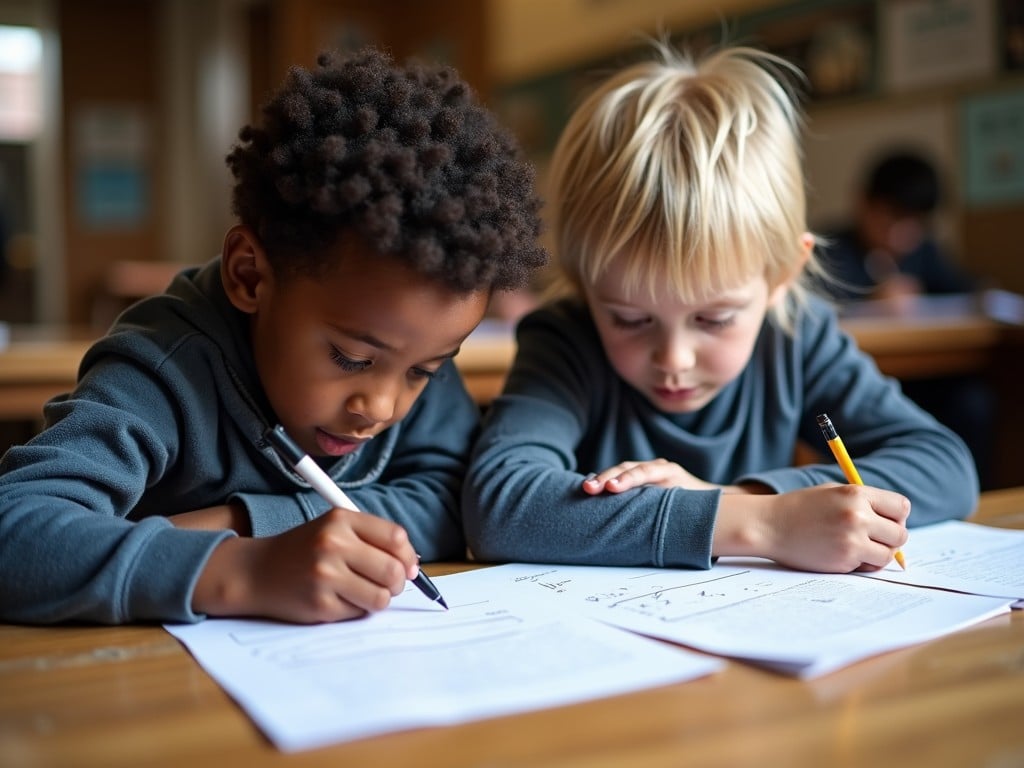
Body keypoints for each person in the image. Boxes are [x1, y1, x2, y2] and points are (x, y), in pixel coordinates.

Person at [0, 47, 546, 625]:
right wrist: (242, 570)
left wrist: (242, 520)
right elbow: (16, 531)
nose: (381, 407)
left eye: (423, 372)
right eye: (350, 357)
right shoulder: (164, 369)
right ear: (250, 275)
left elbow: (453, 499)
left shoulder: (409, 335)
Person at [462, 42, 977, 574]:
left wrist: (742, 494)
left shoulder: (796, 336)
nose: (674, 358)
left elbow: (945, 466)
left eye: (714, 318)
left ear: (783, 275)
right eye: (630, 318)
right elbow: (502, 504)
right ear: (584, 283)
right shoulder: (566, 341)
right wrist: (761, 523)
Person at [820, 149, 995, 488]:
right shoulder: (831, 249)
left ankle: (972, 490)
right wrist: (869, 300)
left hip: (925, 379)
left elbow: (964, 290)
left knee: (972, 399)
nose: (900, 235)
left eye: (913, 225)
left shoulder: (925, 252)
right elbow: (812, 307)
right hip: (862, 379)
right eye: (890, 219)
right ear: (863, 204)